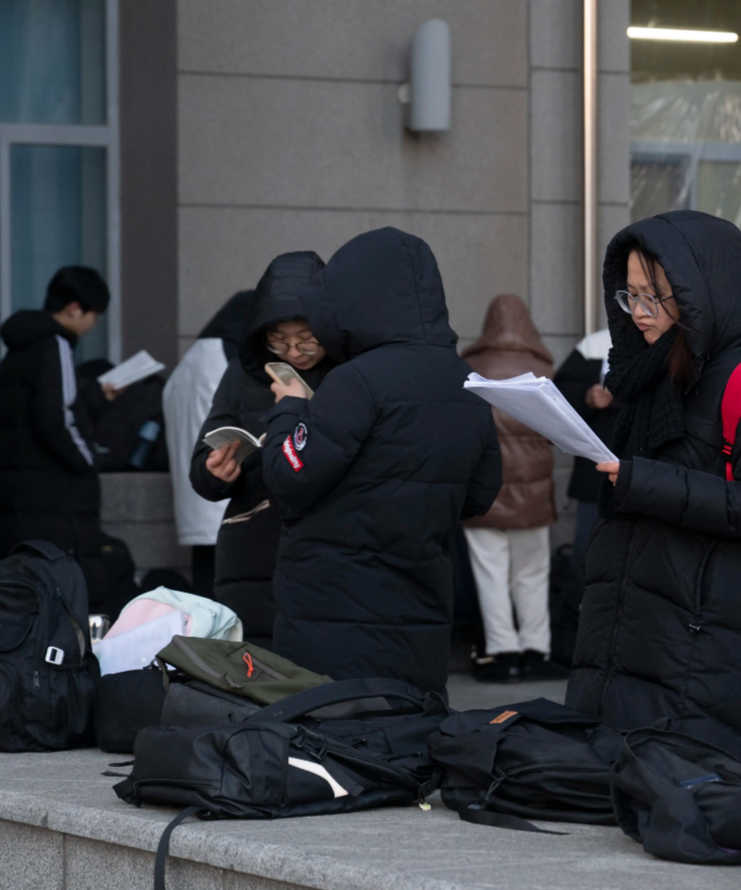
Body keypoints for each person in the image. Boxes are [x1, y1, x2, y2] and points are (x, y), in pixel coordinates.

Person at [565, 211, 741, 784]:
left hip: (711, 649)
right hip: (640, 641)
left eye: (658, 297)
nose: (641, 313)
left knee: (696, 807)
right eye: (631, 296)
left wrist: (642, 481)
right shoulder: (643, 376)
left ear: (702, 297)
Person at [259, 229, 501, 692]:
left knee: (331, 742)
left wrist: (290, 407)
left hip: (334, 610)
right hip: (420, 608)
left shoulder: (356, 381)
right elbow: (481, 494)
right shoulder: (467, 382)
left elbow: (288, 476)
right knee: (406, 737)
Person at [189, 255, 330, 646]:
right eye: (278, 340)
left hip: (323, 551)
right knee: (257, 670)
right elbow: (210, 440)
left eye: (306, 338)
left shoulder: (349, 372)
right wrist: (211, 471)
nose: (293, 351)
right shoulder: (244, 372)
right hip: (251, 549)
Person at [460, 294, 567, 683]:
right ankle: (537, 652)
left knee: (491, 573)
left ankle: (503, 655)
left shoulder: (471, 366)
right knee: (533, 573)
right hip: (533, 494)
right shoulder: (542, 366)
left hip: (484, 492)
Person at [0, 266, 112, 605]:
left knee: (27, 595)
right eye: (94, 315)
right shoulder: (55, 344)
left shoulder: (19, 349)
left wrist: (97, 398)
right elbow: (56, 417)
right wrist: (88, 461)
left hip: (21, 495)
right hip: (56, 497)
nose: (92, 325)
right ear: (74, 308)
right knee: (67, 596)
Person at [164, 289, 254, 594]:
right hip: (224, 498)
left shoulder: (188, 363)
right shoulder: (229, 362)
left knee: (204, 591)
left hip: (195, 498)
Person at [553, 327, 617, 577]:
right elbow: (558, 397)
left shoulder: (668, 342)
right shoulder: (595, 345)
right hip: (596, 477)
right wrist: (588, 398)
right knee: (587, 556)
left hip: (651, 474)